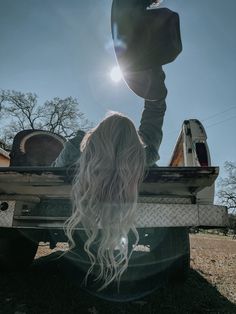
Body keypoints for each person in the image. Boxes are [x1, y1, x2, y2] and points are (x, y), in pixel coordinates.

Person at [35, 66, 167, 301]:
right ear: (134, 142)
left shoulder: (78, 147)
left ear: (96, 135)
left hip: (73, 213)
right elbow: (153, 120)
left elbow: (52, 173)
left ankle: (83, 260)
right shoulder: (142, 156)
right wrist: (155, 87)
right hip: (117, 214)